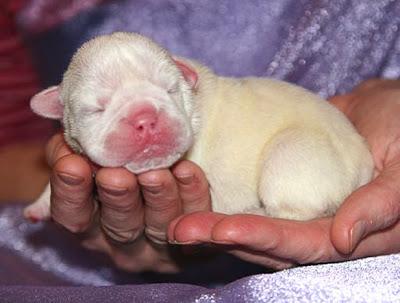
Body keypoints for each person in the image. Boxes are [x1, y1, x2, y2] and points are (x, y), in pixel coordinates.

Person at [5, 0, 400, 276]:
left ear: (188, 81)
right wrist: (50, 193)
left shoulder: (211, 105)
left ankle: (292, 212)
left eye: (165, 93)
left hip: (315, 154)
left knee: (293, 155)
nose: (144, 123)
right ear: (61, 112)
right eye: (97, 109)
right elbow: (44, 153)